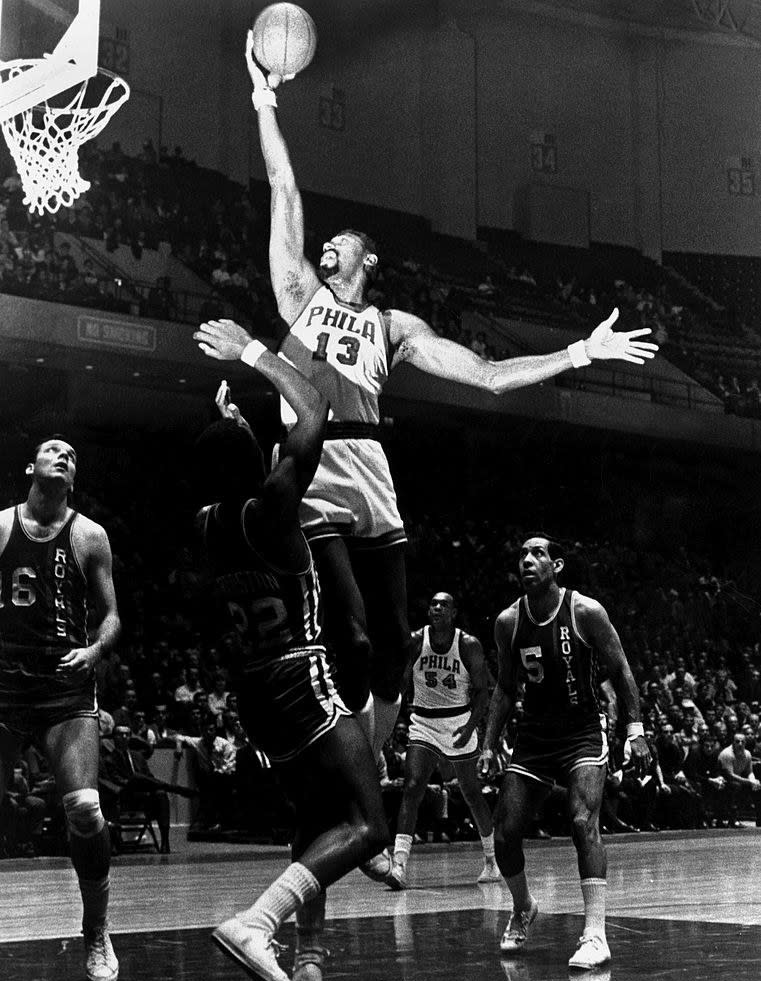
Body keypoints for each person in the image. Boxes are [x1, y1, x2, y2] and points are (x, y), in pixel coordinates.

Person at [219, 39, 658, 810]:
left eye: (341, 242)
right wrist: (264, 99)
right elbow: (283, 184)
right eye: (324, 243)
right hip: (314, 472)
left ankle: (372, 767)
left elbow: (487, 377)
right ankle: (341, 778)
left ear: (370, 258)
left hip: (375, 477)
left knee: (391, 647)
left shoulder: (394, 327)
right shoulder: (295, 295)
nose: (326, 246)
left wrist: (578, 352)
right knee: (349, 637)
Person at [192, 325, 388, 981]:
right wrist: (252, 353)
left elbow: (232, 462)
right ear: (258, 462)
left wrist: (230, 429)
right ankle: (258, 922)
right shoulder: (276, 506)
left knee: (315, 818)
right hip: (298, 678)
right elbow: (313, 409)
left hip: (254, 695)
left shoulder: (207, 523)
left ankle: (308, 954)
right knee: (368, 825)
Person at [478, 534, 650, 970]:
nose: (527, 560)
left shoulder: (585, 611)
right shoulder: (507, 622)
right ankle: (523, 907)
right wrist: (489, 742)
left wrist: (635, 729)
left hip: (582, 732)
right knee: (504, 832)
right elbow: (503, 687)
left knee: (581, 821)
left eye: (538, 554)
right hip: (534, 737)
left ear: (556, 566)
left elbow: (622, 669)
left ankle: (595, 935)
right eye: (522, 554)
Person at [0, 436, 121, 981]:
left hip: (63, 686)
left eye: (73, 454)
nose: (65, 455)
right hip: (4, 682)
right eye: (53, 449)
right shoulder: (1, 526)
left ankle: (96, 932)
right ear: (32, 467)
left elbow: (112, 615)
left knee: (85, 808)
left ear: (73, 479)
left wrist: (95, 650)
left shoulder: (90, 535)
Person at [385, 592, 499, 889]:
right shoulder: (414, 641)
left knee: (471, 791)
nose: (435, 607)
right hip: (423, 720)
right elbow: (401, 681)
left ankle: (492, 860)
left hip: (458, 721)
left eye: (443, 604)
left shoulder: (468, 645)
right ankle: (399, 864)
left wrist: (471, 727)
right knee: (412, 786)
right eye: (432, 603)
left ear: (454, 612)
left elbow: (483, 692)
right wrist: (394, 719)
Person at [99, 724, 172, 854]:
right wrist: (133, 782)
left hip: (143, 798)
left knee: (161, 794)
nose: (124, 737)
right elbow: (115, 781)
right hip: (124, 797)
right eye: (120, 734)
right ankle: (115, 842)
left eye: (127, 734)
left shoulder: (138, 757)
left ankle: (165, 842)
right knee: (112, 796)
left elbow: (149, 776)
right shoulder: (108, 759)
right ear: (114, 738)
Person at [718, 731, 761, 827]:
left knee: (757, 788)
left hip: (739, 780)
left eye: (742, 742)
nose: (740, 744)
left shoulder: (747, 754)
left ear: (745, 743)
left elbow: (749, 772)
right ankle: (732, 819)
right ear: (733, 742)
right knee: (736, 786)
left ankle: (759, 820)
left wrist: (753, 781)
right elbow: (730, 775)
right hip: (723, 781)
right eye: (737, 741)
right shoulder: (727, 754)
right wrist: (749, 782)